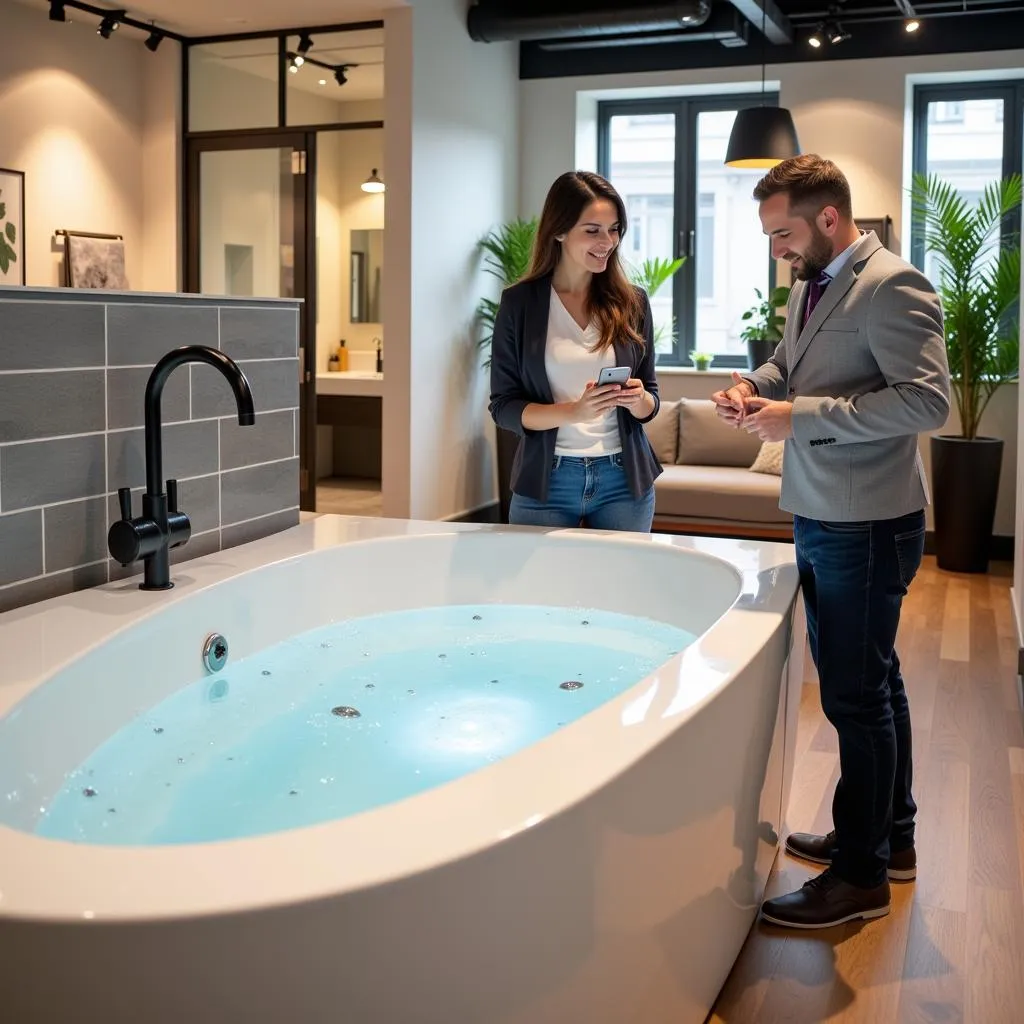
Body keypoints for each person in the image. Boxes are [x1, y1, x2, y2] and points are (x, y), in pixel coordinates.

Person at [712, 154, 950, 929]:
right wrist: (756, 387)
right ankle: (890, 840)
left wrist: (801, 417)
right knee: (876, 684)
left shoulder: (892, 285)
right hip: (825, 511)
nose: (776, 248)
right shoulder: (811, 283)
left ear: (826, 218)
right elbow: (792, 365)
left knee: (854, 696)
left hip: (867, 523)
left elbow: (927, 402)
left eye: (782, 232)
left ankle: (859, 878)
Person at [488, 170, 661, 531]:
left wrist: (639, 400)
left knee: (619, 587)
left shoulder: (634, 302)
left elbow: (651, 400)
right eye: (593, 230)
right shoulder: (519, 304)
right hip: (547, 481)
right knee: (537, 589)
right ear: (559, 230)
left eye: (614, 229)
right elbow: (504, 408)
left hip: (623, 481)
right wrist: (573, 411)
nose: (607, 241)